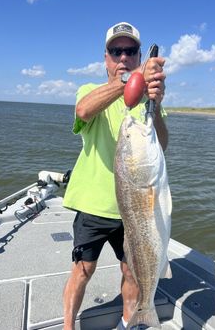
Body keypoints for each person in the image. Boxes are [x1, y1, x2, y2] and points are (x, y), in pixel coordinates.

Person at [62, 22, 168, 330]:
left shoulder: (147, 100)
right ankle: (69, 326)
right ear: (105, 57)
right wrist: (131, 82)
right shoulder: (90, 91)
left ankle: (129, 322)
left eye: (130, 51)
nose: (123, 57)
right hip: (94, 204)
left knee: (132, 271)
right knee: (82, 269)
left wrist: (156, 105)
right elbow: (83, 111)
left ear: (138, 55)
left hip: (136, 211)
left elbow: (161, 145)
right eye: (115, 51)